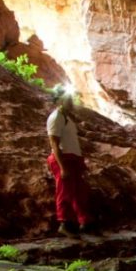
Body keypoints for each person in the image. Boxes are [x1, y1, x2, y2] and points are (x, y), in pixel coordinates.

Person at [46, 88, 95, 235]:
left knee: (78, 192)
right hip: (64, 159)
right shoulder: (56, 117)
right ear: (60, 101)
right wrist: (62, 167)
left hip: (73, 159)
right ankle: (64, 224)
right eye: (68, 99)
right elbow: (54, 143)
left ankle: (84, 222)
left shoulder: (67, 118)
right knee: (65, 192)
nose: (71, 102)